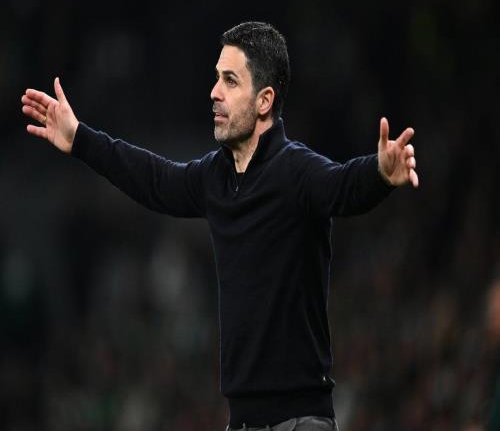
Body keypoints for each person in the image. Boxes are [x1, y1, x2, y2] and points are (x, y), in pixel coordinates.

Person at [21, 21, 418, 431]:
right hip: (241, 422)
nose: (214, 92)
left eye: (230, 81)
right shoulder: (215, 177)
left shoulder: (296, 171)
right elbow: (155, 180)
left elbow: (343, 186)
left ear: (264, 100)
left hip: (300, 421)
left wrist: (380, 173)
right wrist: (80, 138)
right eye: (216, 78)